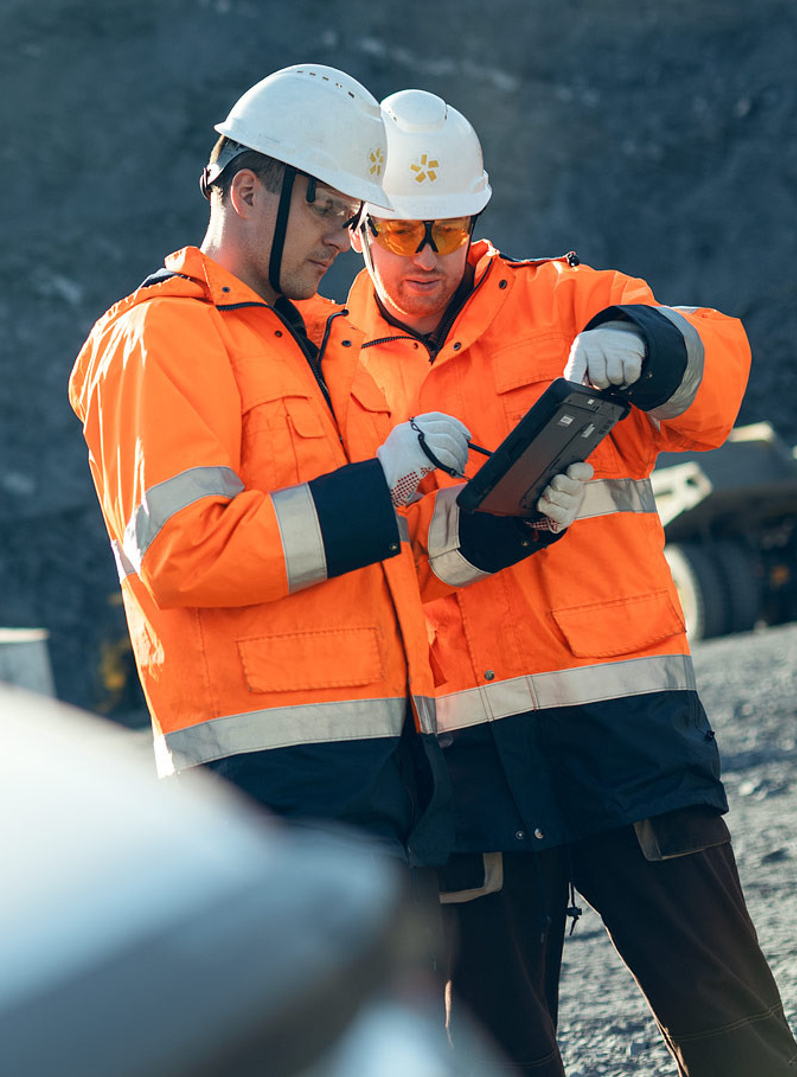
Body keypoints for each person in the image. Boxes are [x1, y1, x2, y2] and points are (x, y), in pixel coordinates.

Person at [344, 87, 797, 1075]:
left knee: (736, 1030)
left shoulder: (569, 301)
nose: (428, 251)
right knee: (497, 1054)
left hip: (626, 728)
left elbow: (719, 376)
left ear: (478, 219)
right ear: (357, 228)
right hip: (464, 765)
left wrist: (651, 341)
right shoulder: (325, 363)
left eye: (451, 226)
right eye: (403, 229)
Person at [67, 64, 590, 866]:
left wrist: (505, 519)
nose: (347, 240)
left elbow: (393, 555)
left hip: (391, 769)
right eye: (329, 211)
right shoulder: (161, 338)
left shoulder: (329, 338)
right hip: (264, 790)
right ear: (246, 193)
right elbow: (182, 550)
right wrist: (375, 488)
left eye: (353, 217)